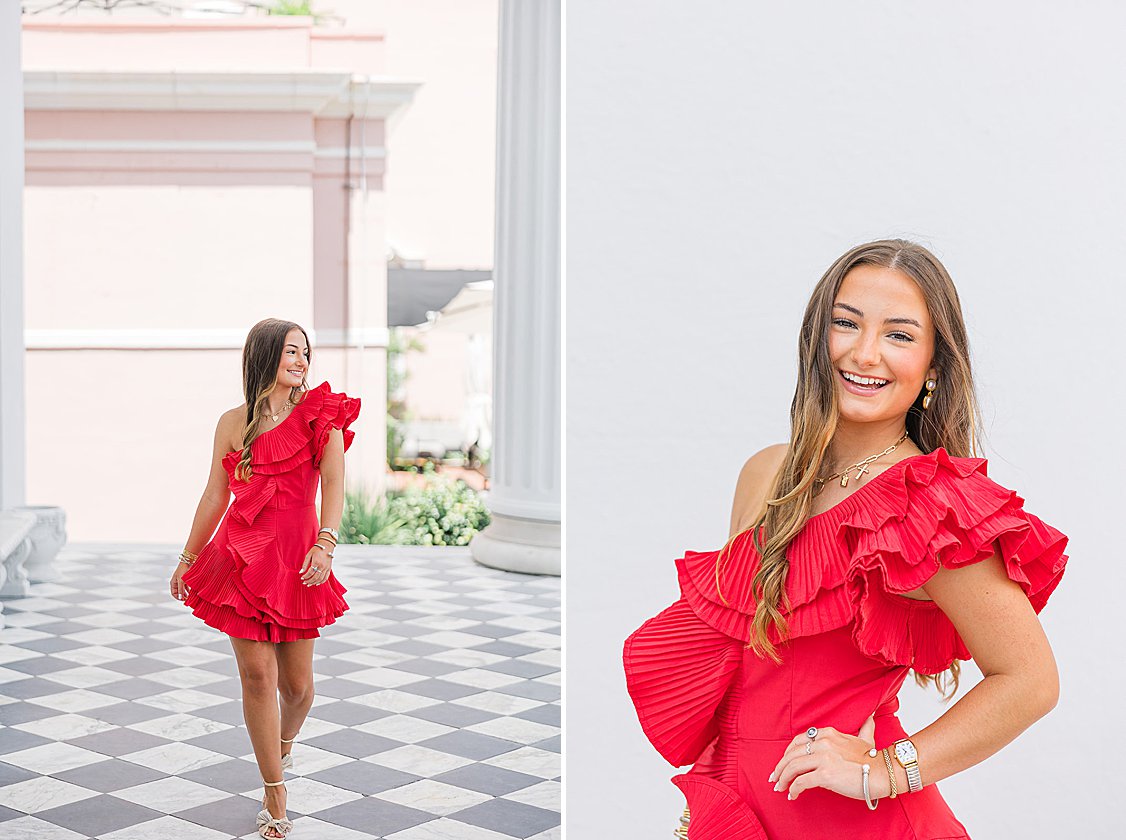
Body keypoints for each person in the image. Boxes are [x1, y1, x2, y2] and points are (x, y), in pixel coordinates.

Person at [621, 240, 1068, 839]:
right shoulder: (766, 474)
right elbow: (743, 668)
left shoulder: (932, 506)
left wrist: (887, 772)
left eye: (900, 335)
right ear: (816, 339)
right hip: (746, 813)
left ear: (934, 366)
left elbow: (1030, 681)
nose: (865, 353)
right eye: (846, 324)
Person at [169, 318, 361, 839]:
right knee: (258, 678)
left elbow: (335, 485)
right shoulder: (233, 423)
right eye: (290, 352)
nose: (301, 361)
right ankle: (274, 791)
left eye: (305, 353)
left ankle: (282, 745)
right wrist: (188, 557)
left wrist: (327, 543)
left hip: (300, 559)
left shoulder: (323, 414)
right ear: (264, 358)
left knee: (298, 689)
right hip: (240, 557)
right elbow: (215, 495)